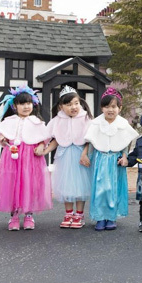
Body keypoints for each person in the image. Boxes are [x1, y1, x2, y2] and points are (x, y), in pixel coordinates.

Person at [0, 85, 52, 231]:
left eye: (29, 103)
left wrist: (41, 145)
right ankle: (14, 215)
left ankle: (29, 214)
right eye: (22, 103)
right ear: (15, 106)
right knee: (13, 184)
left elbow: (46, 137)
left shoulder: (37, 122)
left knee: (29, 183)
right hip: (13, 156)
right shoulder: (9, 121)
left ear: (34, 104)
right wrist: (2, 138)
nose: (26, 106)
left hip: (31, 157)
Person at [36, 86, 93, 229]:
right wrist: (45, 150)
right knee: (66, 185)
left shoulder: (86, 118)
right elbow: (55, 139)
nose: (73, 107)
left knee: (81, 186)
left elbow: (91, 139)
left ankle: (79, 214)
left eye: (76, 103)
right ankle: (69, 213)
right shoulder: (57, 120)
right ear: (61, 107)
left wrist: (85, 153)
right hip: (64, 156)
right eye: (68, 105)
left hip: (81, 155)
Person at [84, 87, 139, 231]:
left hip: (115, 160)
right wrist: (86, 156)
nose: (110, 110)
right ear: (102, 108)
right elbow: (91, 142)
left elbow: (126, 141)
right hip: (101, 160)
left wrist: (125, 157)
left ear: (119, 108)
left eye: (114, 106)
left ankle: (111, 217)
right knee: (101, 189)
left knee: (114, 189)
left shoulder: (122, 124)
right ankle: (100, 217)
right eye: (107, 106)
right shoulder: (96, 123)